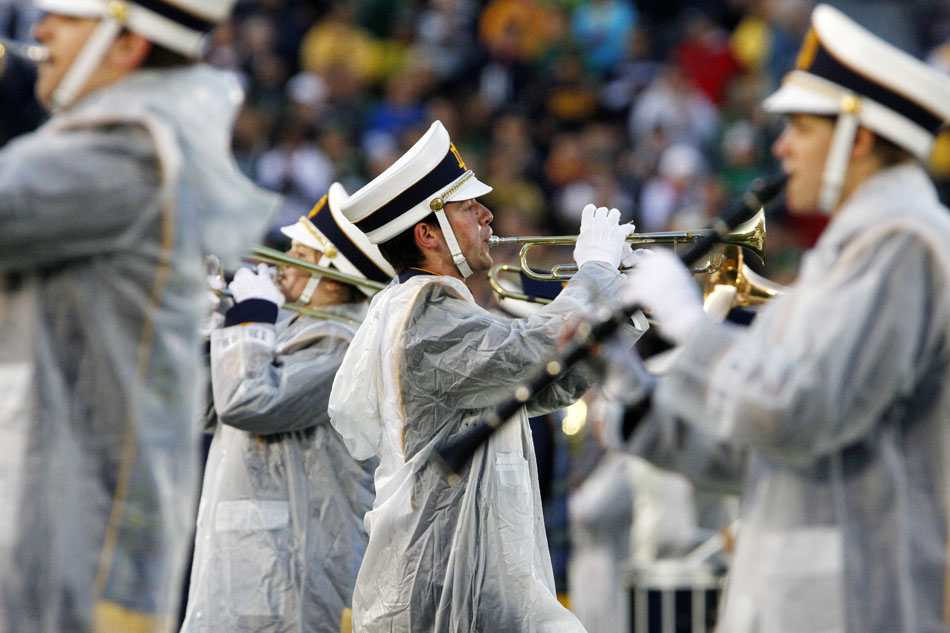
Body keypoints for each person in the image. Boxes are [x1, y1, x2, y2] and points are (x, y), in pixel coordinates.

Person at [614, 4, 950, 632]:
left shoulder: (904, 246)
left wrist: (694, 331)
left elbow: (791, 411)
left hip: (857, 604)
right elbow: (752, 455)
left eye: (800, 126)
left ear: (862, 136)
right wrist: (630, 383)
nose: (781, 146)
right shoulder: (850, 253)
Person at [0, 1, 279, 631]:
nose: (39, 31)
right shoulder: (117, 140)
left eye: (65, 19)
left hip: (74, 551)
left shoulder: (123, 151)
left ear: (126, 47)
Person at [326, 119, 637, 632]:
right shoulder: (425, 314)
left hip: (464, 568)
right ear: (427, 233)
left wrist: (628, 305)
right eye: (470, 207)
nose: (488, 215)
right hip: (437, 575)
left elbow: (539, 387)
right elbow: (532, 351)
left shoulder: (441, 309)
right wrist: (596, 275)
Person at [179, 183, 395, 633]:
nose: (281, 264)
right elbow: (206, 412)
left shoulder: (345, 345)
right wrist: (211, 330)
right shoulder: (290, 328)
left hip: (293, 570)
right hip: (246, 561)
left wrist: (249, 321)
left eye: (300, 253)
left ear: (332, 277)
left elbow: (249, 402)